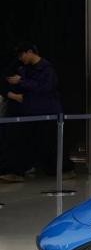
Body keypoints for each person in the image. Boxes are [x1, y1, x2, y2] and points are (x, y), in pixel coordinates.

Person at [1, 41, 67, 183]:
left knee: (50, 143)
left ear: (30, 52)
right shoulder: (24, 69)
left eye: (22, 55)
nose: (21, 59)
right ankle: (17, 171)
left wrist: (21, 81)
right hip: (30, 112)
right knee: (23, 142)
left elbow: (45, 88)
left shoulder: (47, 69)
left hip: (47, 112)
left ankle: (63, 170)